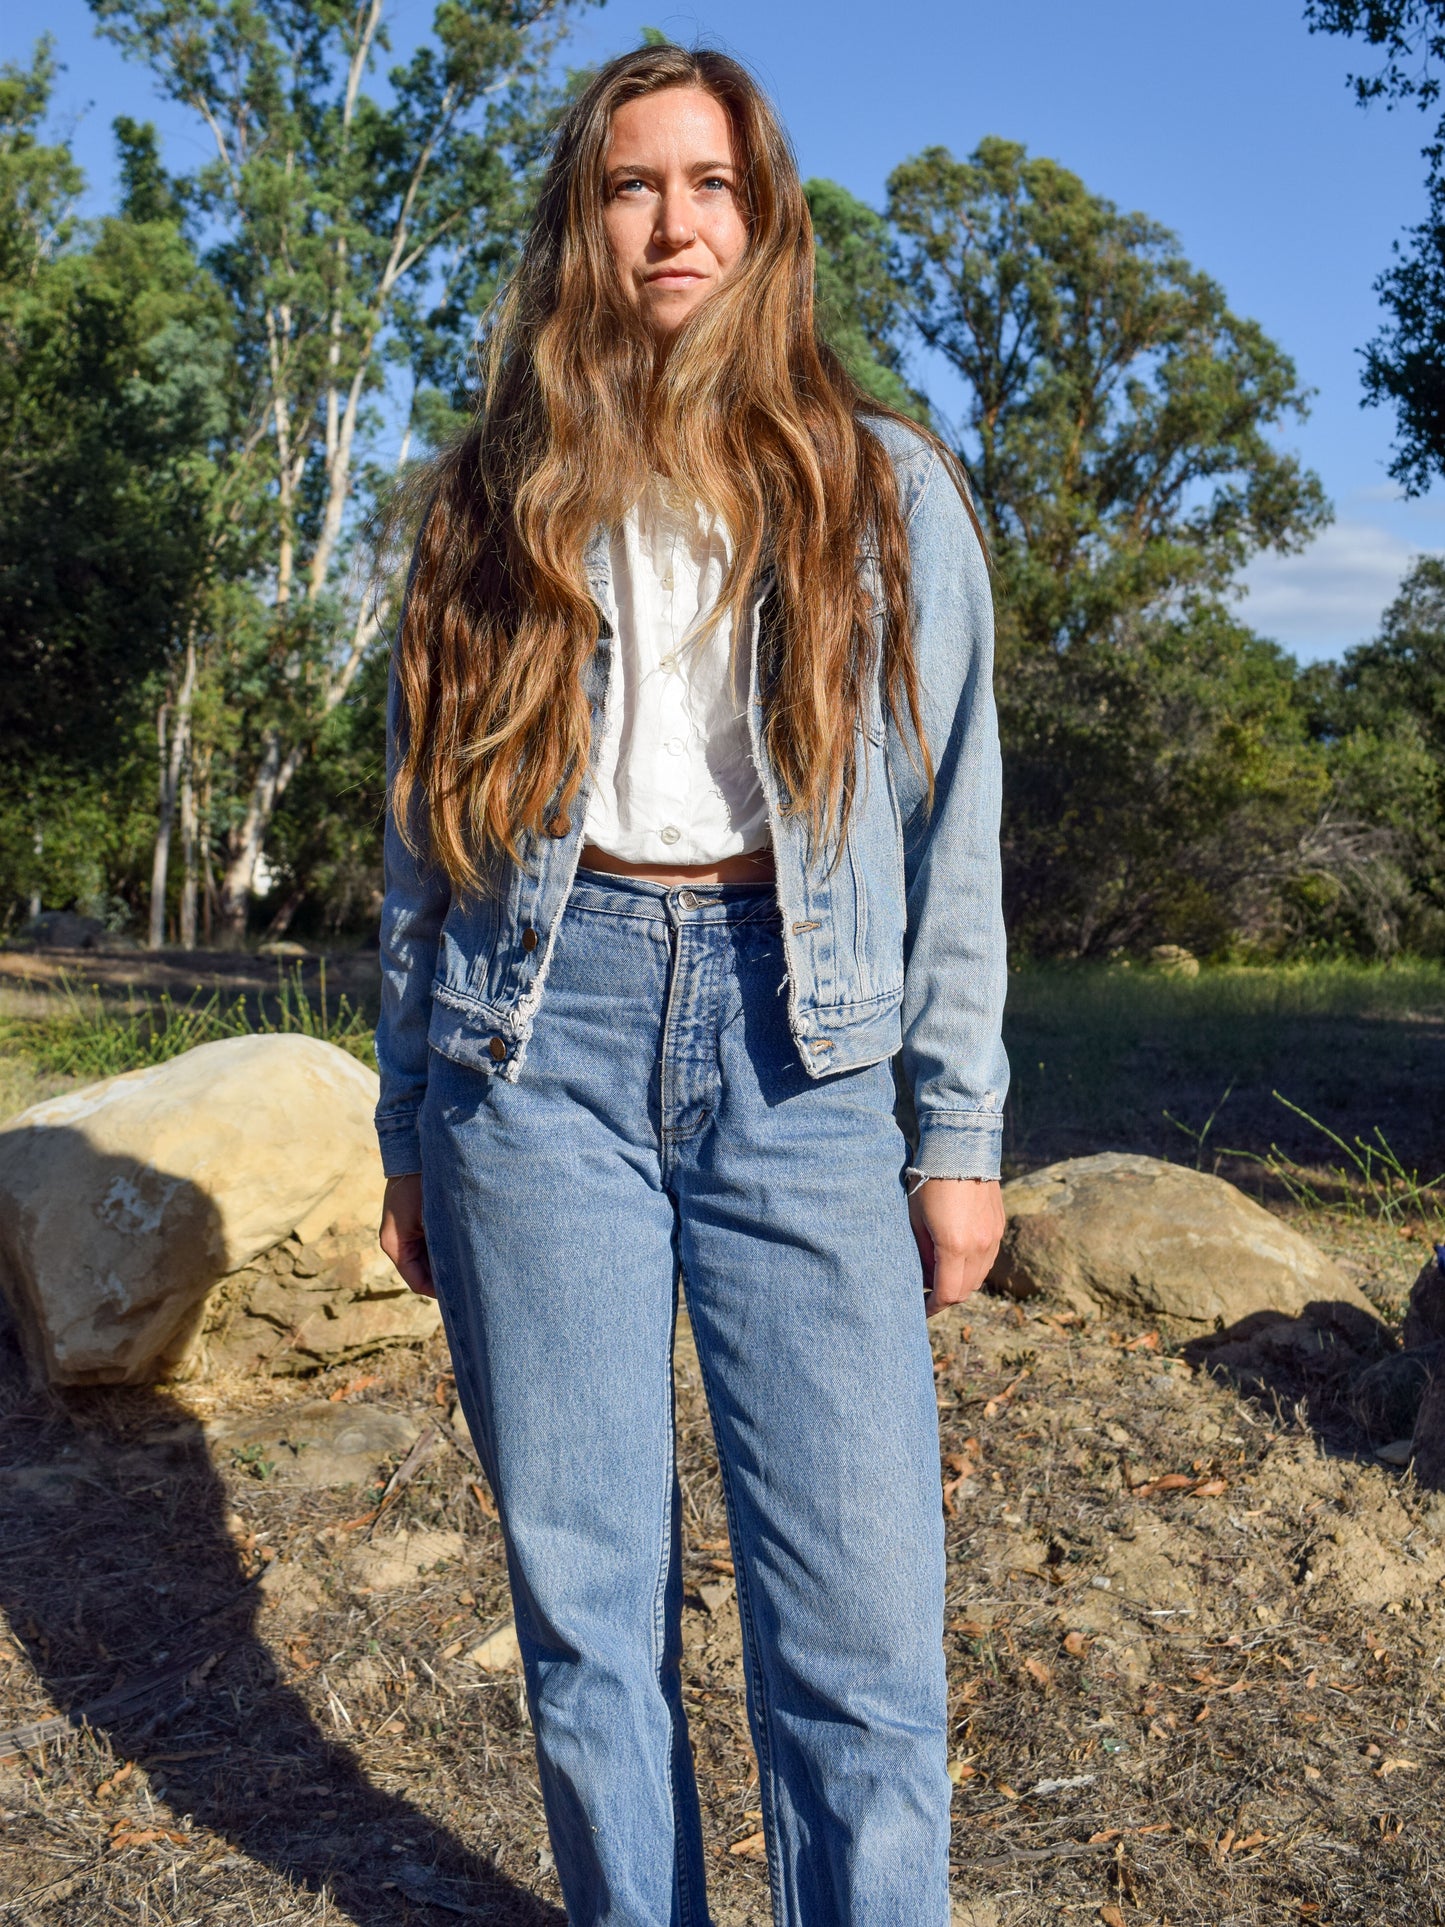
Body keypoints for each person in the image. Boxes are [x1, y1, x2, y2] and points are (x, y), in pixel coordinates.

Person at [375, 42, 1008, 1927]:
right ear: (584, 218)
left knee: (863, 1644)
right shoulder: (488, 497)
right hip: (530, 1045)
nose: (672, 220)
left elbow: (951, 825)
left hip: (798, 1050)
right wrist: (410, 1118)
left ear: (766, 217)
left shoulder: (882, 489)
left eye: (709, 184)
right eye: (632, 183)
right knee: (584, 1628)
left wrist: (953, 1130)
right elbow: (425, 841)